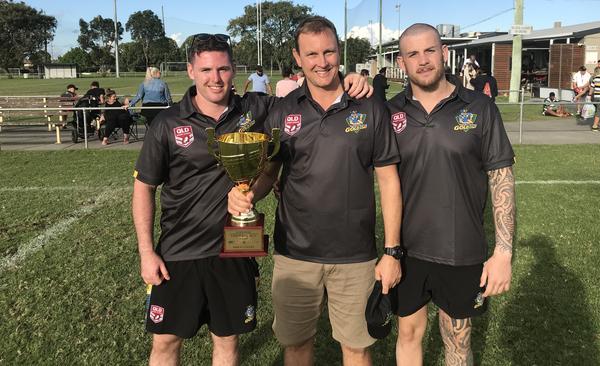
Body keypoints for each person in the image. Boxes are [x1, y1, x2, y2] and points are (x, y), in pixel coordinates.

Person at [132, 32, 373, 366]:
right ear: (190, 71)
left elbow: (312, 99)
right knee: (165, 343)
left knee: (228, 342)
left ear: (234, 71)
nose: (215, 78)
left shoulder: (258, 109)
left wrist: (351, 81)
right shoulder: (167, 123)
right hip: (178, 251)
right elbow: (144, 187)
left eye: (223, 69)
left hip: (234, 250)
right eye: (205, 70)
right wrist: (146, 252)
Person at [228, 16, 402, 366]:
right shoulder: (283, 110)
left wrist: (392, 251)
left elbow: (388, 181)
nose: (322, 62)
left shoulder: (369, 106)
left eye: (329, 52)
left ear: (340, 51)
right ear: (297, 57)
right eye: (312, 54)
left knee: (356, 348)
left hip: (355, 255)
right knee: (296, 346)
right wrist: (247, 192)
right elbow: (271, 171)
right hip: (295, 253)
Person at [386, 23, 515, 366]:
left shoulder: (480, 108)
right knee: (409, 334)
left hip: (461, 249)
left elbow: (501, 179)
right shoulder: (390, 112)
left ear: (444, 53)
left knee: (457, 342)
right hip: (406, 250)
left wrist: (503, 252)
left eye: (430, 50)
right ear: (402, 62)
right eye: (413, 54)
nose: (423, 60)